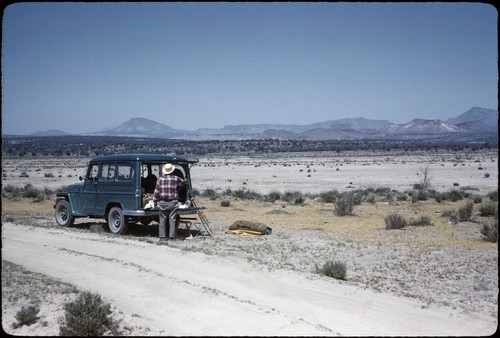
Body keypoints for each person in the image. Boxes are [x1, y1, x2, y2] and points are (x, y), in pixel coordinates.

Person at [153, 163, 185, 240]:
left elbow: (156, 191)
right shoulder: (176, 178)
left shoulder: (160, 179)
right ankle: (172, 236)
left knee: (162, 219)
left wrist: (154, 200)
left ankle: (162, 237)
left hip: (163, 202)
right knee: (172, 219)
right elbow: (183, 182)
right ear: (172, 171)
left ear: (165, 172)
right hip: (173, 202)